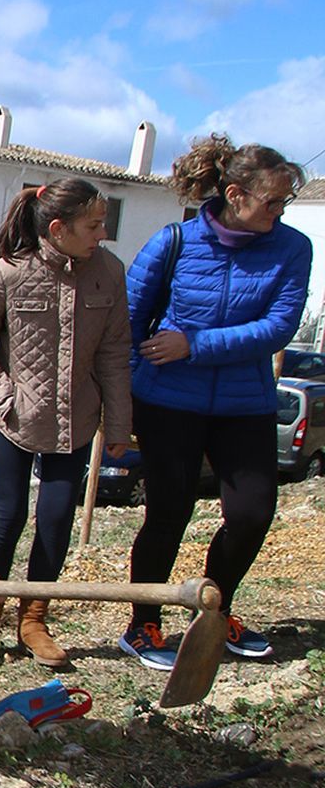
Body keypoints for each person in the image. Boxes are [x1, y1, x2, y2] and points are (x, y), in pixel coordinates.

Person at [120, 135, 310, 671]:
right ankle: (144, 624)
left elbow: (277, 328)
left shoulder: (293, 248)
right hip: (168, 403)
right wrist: (130, 393)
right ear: (235, 193)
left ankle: (216, 608)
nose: (279, 210)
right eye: (272, 200)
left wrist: (194, 344)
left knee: (252, 513)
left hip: (245, 404)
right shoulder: (174, 241)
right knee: (168, 513)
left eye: (284, 202)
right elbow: (129, 324)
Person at [0, 179, 133, 671]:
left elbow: (114, 353)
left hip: (77, 421)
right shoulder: (9, 273)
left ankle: (35, 619)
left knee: (57, 516)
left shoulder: (109, 272)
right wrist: (3, 395)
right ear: (58, 229)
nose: (102, 234)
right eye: (94, 225)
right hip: (16, 417)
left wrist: (119, 424)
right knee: (7, 514)